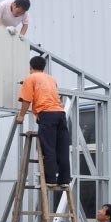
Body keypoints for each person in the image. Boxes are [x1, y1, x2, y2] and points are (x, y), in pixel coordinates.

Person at [16, 56, 71, 186]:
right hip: (60, 114)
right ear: (44, 67)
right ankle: (64, 180)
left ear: (31, 67)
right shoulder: (51, 79)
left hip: (47, 114)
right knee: (62, 148)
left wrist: (21, 116)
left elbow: (27, 100)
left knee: (48, 147)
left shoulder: (30, 78)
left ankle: (50, 180)